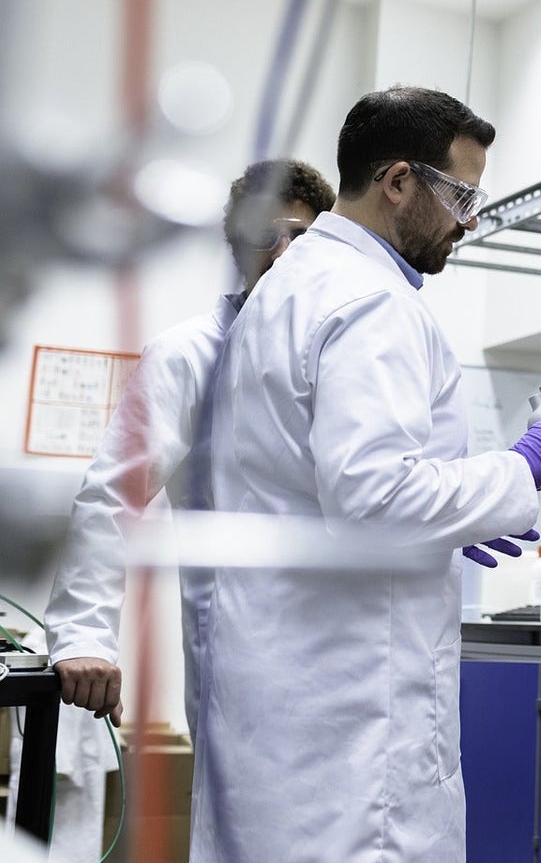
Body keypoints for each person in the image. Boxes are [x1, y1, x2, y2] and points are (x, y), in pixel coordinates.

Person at [187, 86, 541, 863]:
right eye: (461, 195)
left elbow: (321, 481)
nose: (469, 220)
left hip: (283, 686)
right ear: (399, 182)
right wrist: (522, 467)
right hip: (349, 711)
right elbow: (373, 497)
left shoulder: (291, 286)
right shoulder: (370, 300)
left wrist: (456, 511)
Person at [45, 158, 336, 736]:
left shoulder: (345, 358)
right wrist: (83, 633)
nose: (281, 254)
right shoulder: (187, 354)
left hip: (344, 659)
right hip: (238, 665)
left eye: (300, 237)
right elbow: (112, 498)